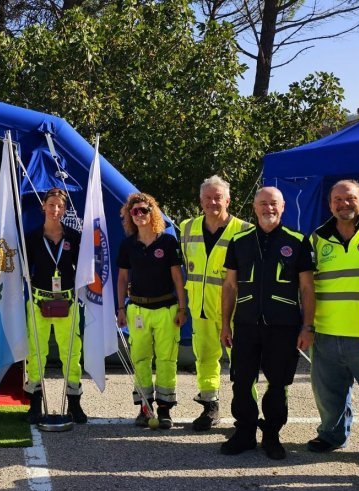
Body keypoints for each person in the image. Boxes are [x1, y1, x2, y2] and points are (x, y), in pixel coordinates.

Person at [220, 187, 315, 459]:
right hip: (247, 324)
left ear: (283, 207)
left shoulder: (297, 241)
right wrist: (225, 324)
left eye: (273, 204)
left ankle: (272, 435)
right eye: (262, 204)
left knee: (278, 383)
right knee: (241, 381)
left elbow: (307, 288)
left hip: (283, 326)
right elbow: (229, 285)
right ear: (254, 207)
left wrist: (307, 326)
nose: (268, 209)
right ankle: (245, 433)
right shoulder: (239, 240)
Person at [307, 180, 359, 465]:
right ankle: (332, 435)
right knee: (327, 393)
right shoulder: (317, 238)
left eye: (350, 198)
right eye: (337, 200)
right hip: (327, 331)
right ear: (330, 204)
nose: (343, 204)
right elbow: (308, 286)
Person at [178, 175, 252, 431]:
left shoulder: (244, 230)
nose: (213, 202)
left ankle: (246, 412)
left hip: (234, 310)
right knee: (205, 358)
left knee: (242, 360)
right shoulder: (187, 228)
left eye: (218, 197)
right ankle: (210, 406)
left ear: (228, 200)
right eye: (208, 198)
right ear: (200, 201)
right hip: (200, 308)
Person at [116, 192, 188, 429]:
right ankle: (145, 408)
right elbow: (122, 278)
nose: (139, 215)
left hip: (166, 307)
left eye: (143, 210)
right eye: (134, 211)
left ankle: (165, 410)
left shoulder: (167, 241)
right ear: (130, 215)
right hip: (137, 309)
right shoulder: (128, 244)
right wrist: (120, 308)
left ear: (152, 212)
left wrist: (182, 307)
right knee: (140, 359)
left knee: (167, 360)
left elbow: (178, 277)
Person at [24, 188, 87, 424]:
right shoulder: (31, 236)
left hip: (67, 302)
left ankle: (75, 404)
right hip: (40, 300)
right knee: (36, 353)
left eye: (60, 206)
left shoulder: (73, 237)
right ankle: (34, 405)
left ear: (65, 209)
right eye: (51, 205)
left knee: (71, 354)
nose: (55, 210)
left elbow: (82, 269)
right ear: (44, 206)